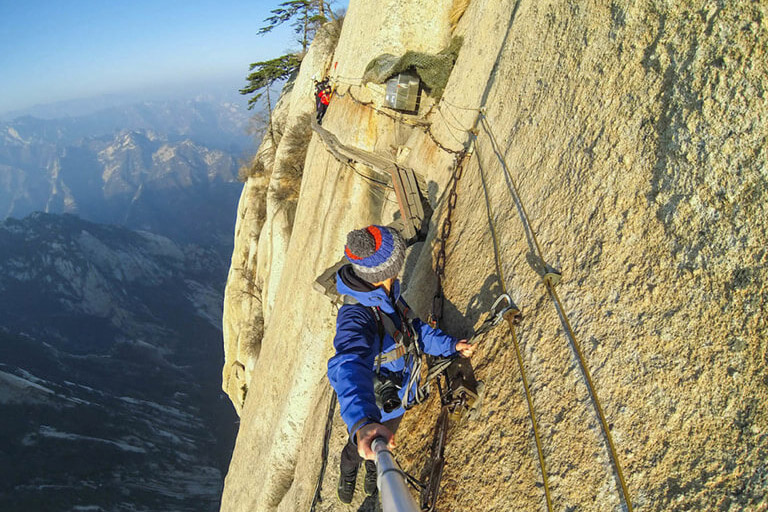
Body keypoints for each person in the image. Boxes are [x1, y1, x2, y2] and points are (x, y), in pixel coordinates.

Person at [327, 225, 476, 504]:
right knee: (357, 447)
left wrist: (451, 346)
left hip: (396, 397)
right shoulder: (356, 314)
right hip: (371, 404)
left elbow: (413, 331)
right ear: (387, 268)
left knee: (380, 443)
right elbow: (347, 365)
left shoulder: (388, 294)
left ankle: (372, 471)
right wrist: (361, 420)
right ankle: (347, 473)